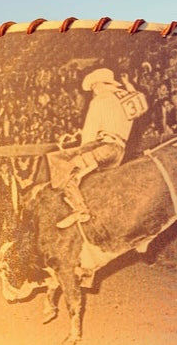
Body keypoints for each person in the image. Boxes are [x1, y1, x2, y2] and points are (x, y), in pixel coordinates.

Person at [48, 67, 147, 228]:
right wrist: (129, 85)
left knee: (64, 165)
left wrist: (81, 150)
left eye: (94, 86)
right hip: (119, 150)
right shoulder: (126, 98)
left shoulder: (99, 100)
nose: (93, 91)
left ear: (100, 84)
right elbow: (141, 104)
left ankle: (80, 209)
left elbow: (89, 134)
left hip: (104, 148)